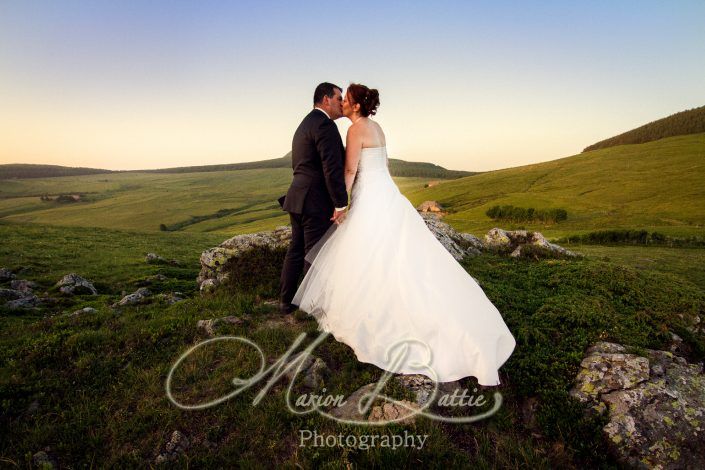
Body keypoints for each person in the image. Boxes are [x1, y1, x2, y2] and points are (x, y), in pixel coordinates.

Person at [291, 83, 516, 385]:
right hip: (386, 192)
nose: (342, 103)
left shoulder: (355, 130)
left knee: (371, 253)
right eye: (340, 99)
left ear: (356, 106)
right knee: (401, 254)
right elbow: (382, 165)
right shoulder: (378, 127)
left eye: (347, 100)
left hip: (370, 196)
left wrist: (340, 204)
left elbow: (348, 171)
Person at [278, 83, 349, 315]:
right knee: (315, 253)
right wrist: (340, 203)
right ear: (326, 99)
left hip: (297, 197)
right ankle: (310, 307)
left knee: (296, 250)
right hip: (315, 201)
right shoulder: (325, 125)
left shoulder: (305, 124)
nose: (342, 103)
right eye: (339, 98)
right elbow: (331, 167)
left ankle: (285, 300)